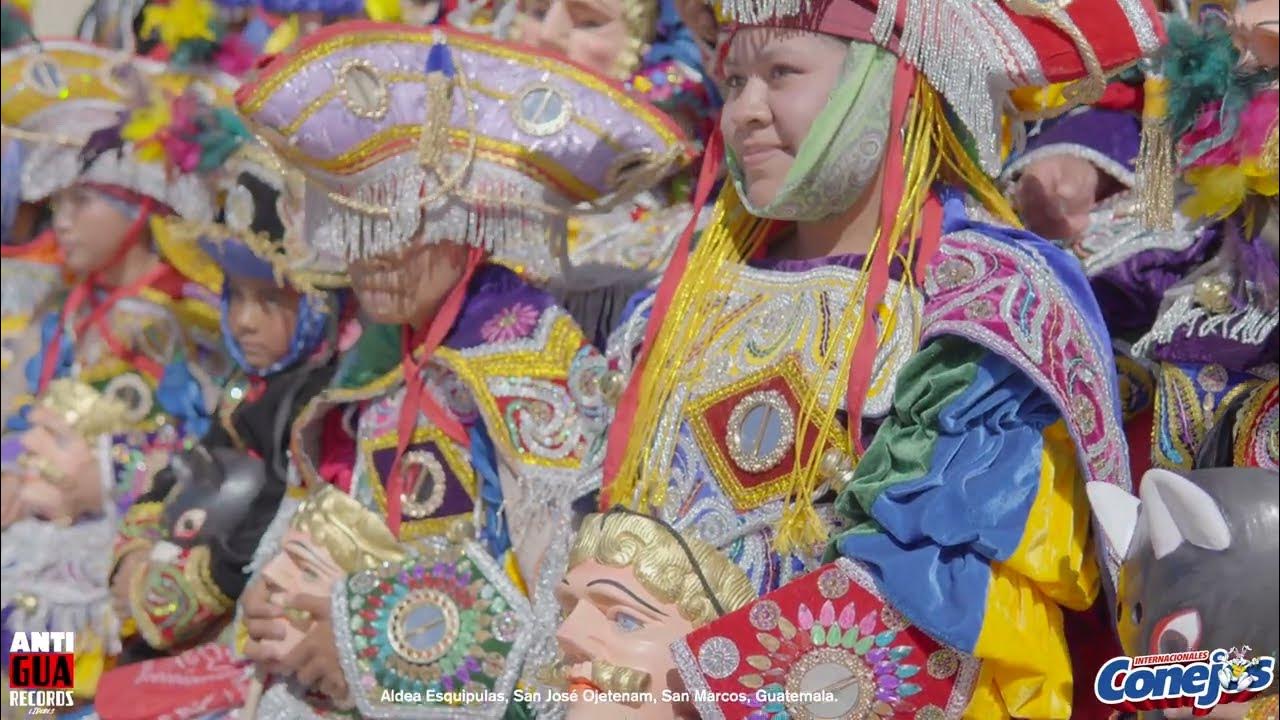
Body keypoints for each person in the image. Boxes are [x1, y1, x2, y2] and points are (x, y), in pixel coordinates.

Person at [598, 0, 1163, 716]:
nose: (743, 112)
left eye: (781, 72)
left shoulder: (982, 301)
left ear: (889, 80)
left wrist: (685, 693)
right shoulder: (687, 289)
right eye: (734, 80)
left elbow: (924, 608)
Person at [231, 20, 689, 717]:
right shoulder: (381, 352)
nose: (377, 259)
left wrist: (363, 639)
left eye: (406, 227)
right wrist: (268, 593)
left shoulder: (525, 358)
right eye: (361, 228)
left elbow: (559, 604)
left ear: (473, 221)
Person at [0, 40, 236, 699]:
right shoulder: (61, 307)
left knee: (41, 697)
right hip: (32, 535)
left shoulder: (188, 325)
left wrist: (105, 479)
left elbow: (204, 453)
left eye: (83, 201)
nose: (62, 221)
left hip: (111, 556)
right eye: (58, 202)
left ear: (141, 204)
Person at [104, 144, 344, 663]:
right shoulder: (250, 381)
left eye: (270, 300)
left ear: (318, 306)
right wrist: (134, 552)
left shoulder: (312, 401)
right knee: (34, 607)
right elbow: (190, 463)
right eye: (236, 296)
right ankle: (37, 699)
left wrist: (169, 590)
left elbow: (268, 519)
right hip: (161, 559)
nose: (244, 321)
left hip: (231, 615)